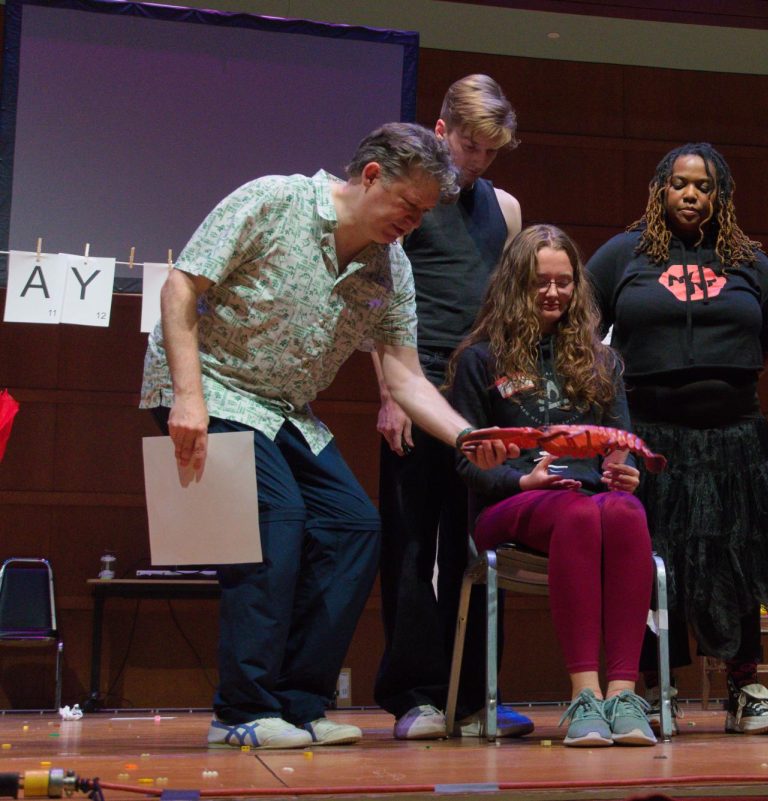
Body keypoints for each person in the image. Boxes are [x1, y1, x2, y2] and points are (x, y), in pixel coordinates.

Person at [139, 122, 514, 750]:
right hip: (213, 386)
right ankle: (242, 713)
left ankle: (298, 704)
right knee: (278, 518)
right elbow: (183, 285)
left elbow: (405, 375)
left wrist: (467, 437)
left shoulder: (390, 266)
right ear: (371, 176)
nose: (414, 224)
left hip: (285, 409)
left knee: (352, 526)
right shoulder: (272, 201)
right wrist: (189, 396)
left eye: (424, 213)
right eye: (409, 205)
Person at [588, 143, 768, 735]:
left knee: (735, 558)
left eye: (705, 186)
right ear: (659, 189)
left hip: (735, 439)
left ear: (722, 196)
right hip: (650, 439)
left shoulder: (751, 263)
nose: (692, 195)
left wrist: (717, 382)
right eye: (681, 183)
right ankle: (644, 690)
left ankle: (744, 687)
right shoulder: (622, 254)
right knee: (646, 560)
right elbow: (580, 333)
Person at [447, 224, 658, 747]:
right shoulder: (480, 359)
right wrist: (522, 478)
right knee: (583, 514)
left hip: (589, 504)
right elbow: (466, 465)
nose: (554, 293)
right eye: (540, 281)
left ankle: (622, 695)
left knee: (626, 512)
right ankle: (584, 695)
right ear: (515, 284)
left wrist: (624, 470)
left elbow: (621, 441)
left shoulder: (601, 361)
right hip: (511, 505)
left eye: (564, 282)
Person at [369, 75, 531, 741]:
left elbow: (508, 303)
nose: (476, 162)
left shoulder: (508, 208)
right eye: (468, 146)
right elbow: (376, 299)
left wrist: (515, 375)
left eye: (489, 152)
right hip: (413, 381)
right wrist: (388, 392)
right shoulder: (409, 199)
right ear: (440, 131)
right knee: (409, 543)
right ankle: (419, 694)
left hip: (479, 395)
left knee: (479, 544)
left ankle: (474, 695)